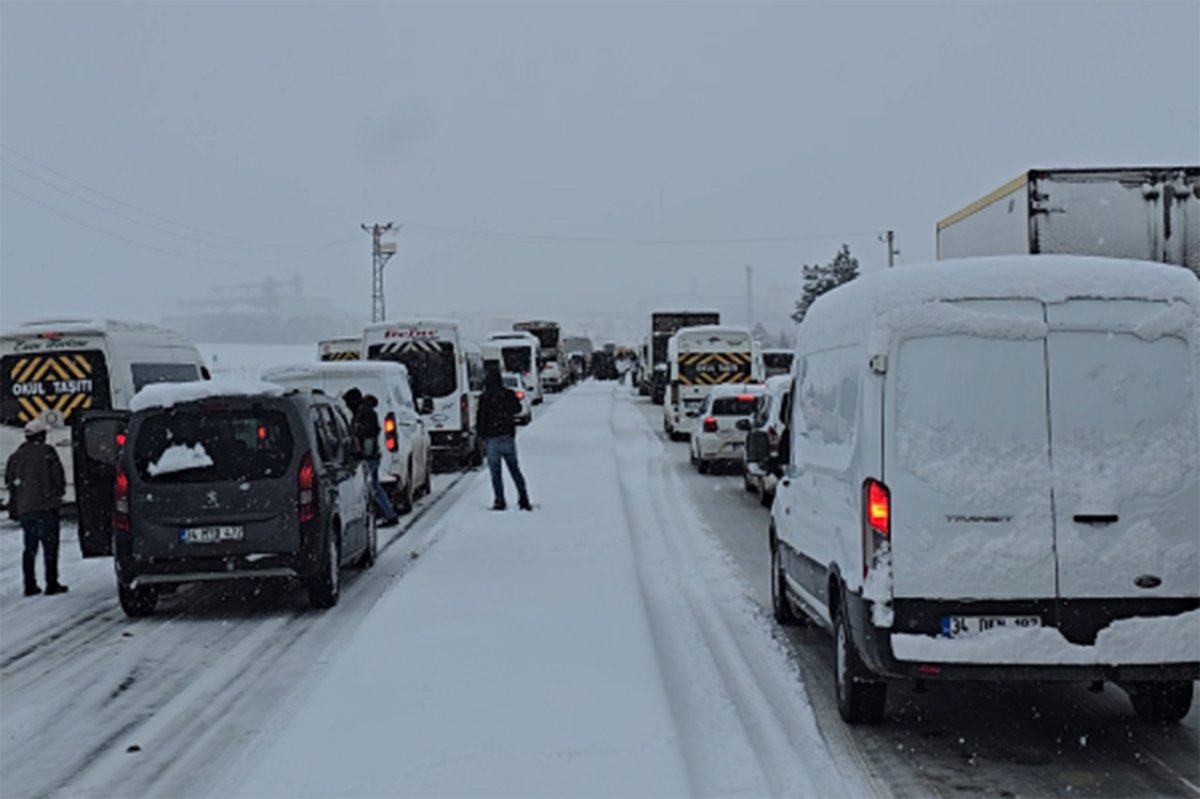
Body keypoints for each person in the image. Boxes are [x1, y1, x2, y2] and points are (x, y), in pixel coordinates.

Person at [5, 419, 68, 596]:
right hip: (47, 507)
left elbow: (9, 482)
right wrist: (57, 494)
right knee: (50, 547)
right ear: (41, 436)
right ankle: (51, 582)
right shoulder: (48, 452)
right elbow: (58, 479)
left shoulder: (16, 456)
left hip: (26, 509)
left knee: (29, 548)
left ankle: (30, 584)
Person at [476, 366, 531, 511]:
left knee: (496, 473)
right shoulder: (508, 394)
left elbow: (481, 418)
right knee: (515, 470)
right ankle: (523, 498)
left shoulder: (484, 397)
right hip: (507, 437)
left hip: (491, 439)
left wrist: (481, 435)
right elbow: (518, 409)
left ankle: (500, 500)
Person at [347, 390, 399, 524]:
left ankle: (374, 515)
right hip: (373, 455)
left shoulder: (363, 413)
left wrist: (361, 452)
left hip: (368, 456)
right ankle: (389, 513)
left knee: (366, 487)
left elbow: (365, 434)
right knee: (375, 487)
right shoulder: (367, 412)